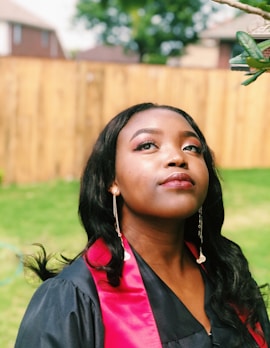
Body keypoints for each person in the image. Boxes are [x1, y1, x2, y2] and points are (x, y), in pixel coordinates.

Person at [15, 102, 269, 348]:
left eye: (192, 148)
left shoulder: (229, 277)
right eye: (148, 145)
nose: (177, 157)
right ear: (111, 179)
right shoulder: (73, 299)